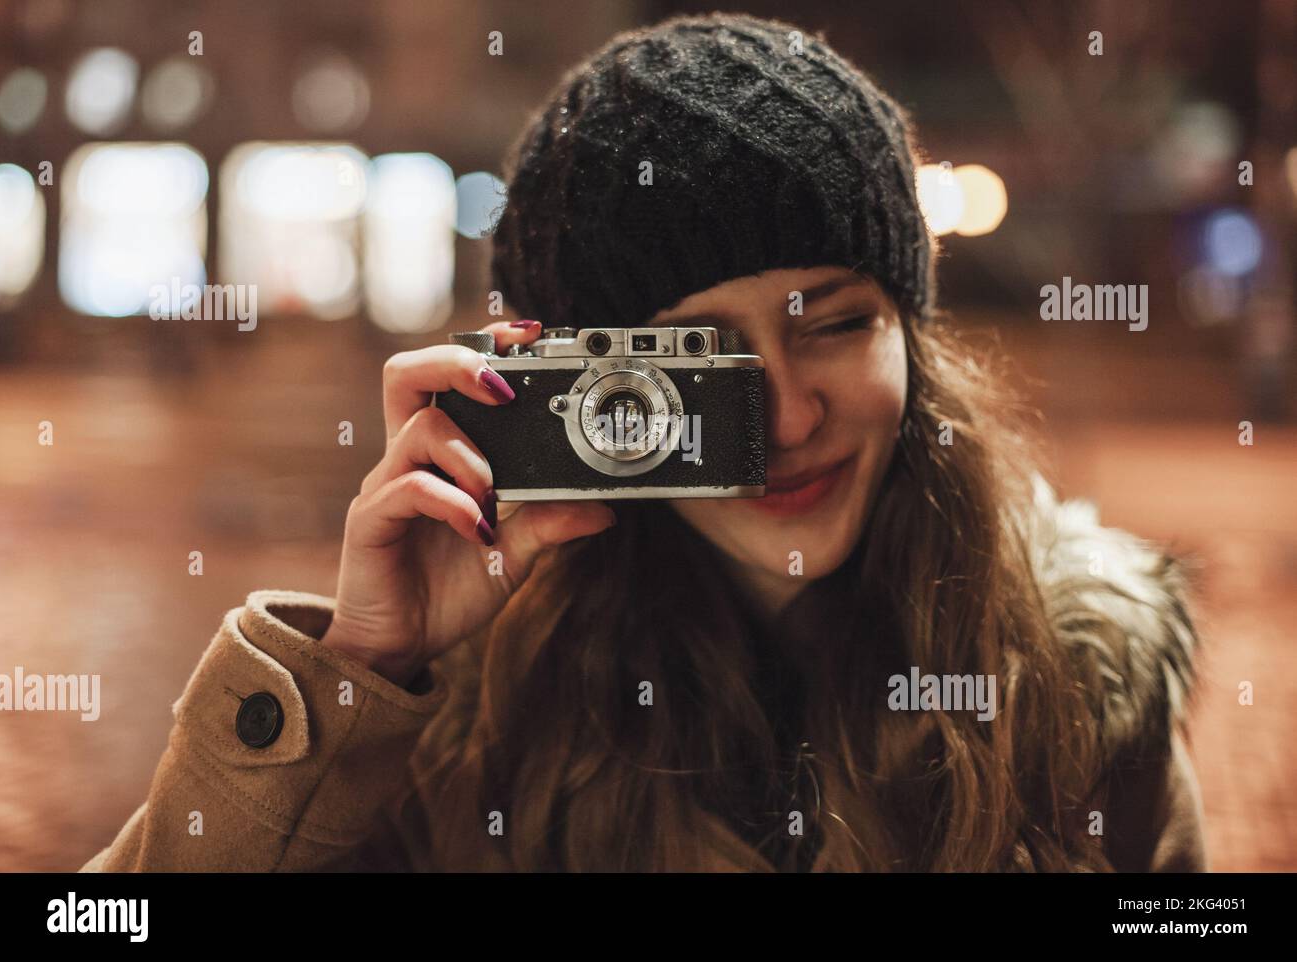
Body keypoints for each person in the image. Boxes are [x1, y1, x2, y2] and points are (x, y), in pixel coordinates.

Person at [82, 12, 1206, 873]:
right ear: (568, 390)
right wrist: (359, 681)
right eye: (698, 364)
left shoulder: (1081, 679)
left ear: (911, 333)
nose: (790, 414)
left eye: (839, 322)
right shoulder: (465, 716)